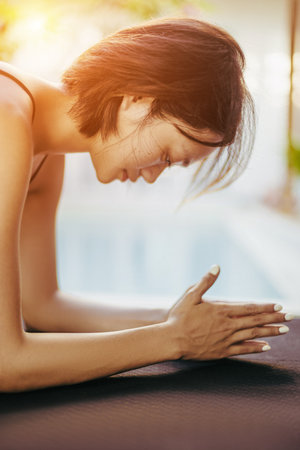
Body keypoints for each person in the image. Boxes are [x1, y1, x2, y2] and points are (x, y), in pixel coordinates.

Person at [0, 17, 293, 393]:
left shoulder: (42, 147)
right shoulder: (7, 122)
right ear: (137, 95)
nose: (153, 176)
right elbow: (5, 361)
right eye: (167, 156)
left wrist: (174, 320)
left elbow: (41, 305)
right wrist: (173, 340)